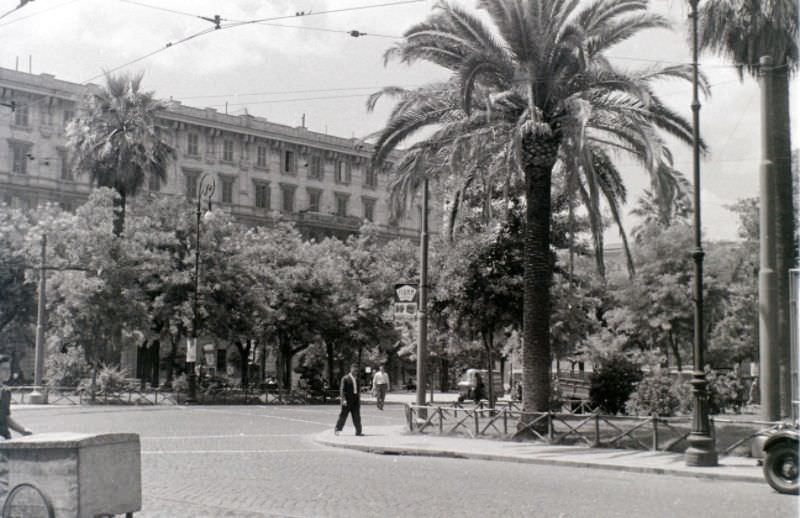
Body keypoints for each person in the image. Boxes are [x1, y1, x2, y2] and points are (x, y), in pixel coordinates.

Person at [335, 363, 363, 436]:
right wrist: (343, 399)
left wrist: (359, 399)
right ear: (351, 369)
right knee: (343, 415)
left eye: (357, 370)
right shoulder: (345, 378)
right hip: (347, 400)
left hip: (355, 400)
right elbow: (342, 389)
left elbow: (358, 390)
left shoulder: (357, 379)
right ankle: (337, 429)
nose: (355, 372)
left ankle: (358, 431)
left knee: (357, 416)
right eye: (354, 370)